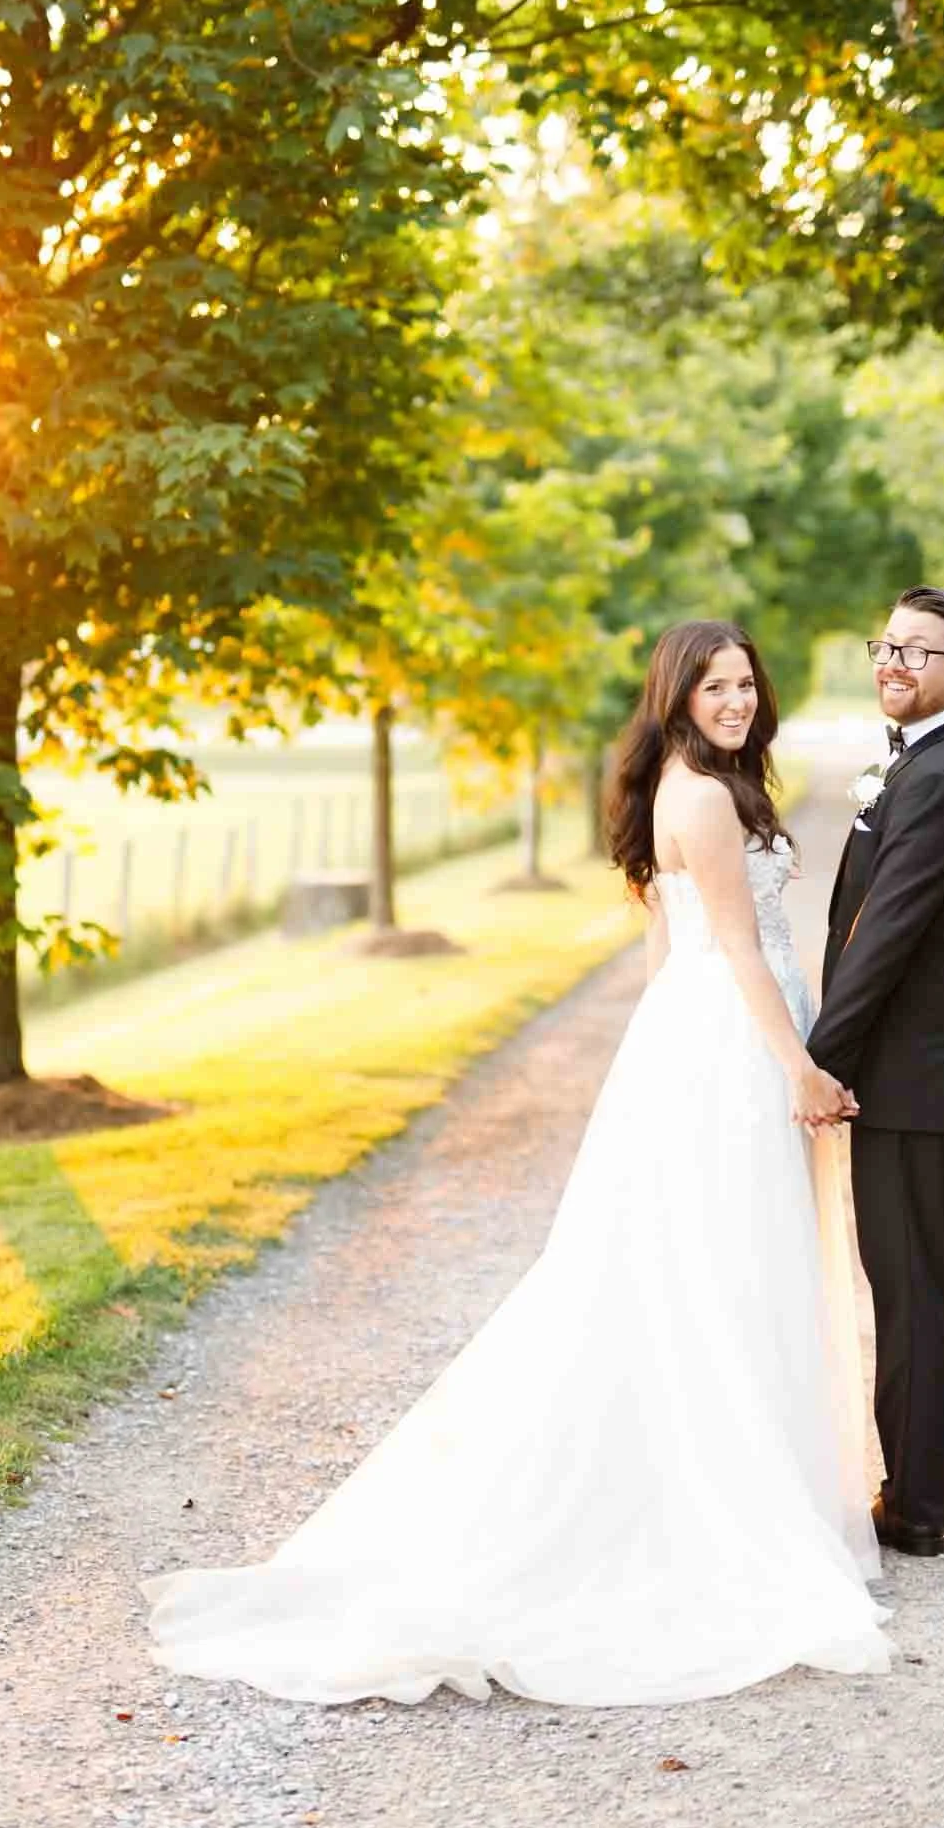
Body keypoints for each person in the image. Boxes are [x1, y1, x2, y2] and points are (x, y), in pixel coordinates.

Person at [144, 619, 890, 1705]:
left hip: (692, 1041)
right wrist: (799, 1071)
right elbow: (732, 947)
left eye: (744, 682)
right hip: (735, 1043)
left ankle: (731, 1475)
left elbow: (661, 950)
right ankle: (731, 1499)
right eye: (715, 685)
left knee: (696, 1267)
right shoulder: (707, 800)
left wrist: (665, 1059)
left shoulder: (677, 786)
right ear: (676, 695)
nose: (735, 699)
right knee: (729, 1266)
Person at [807, 586, 944, 1559]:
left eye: (915, 651)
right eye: (883, 646)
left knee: (910, 1285)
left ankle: (917, 1504)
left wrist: (819, 1066)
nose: (890, 663)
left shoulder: (938, 777)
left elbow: (882, 940)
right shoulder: (942, 761)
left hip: (916, 1075)